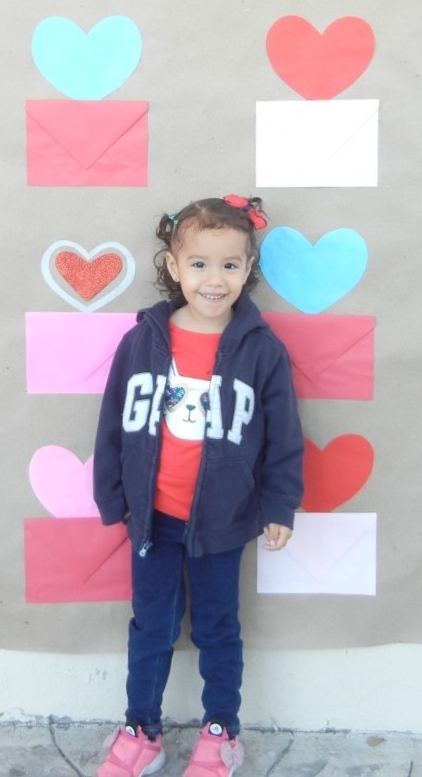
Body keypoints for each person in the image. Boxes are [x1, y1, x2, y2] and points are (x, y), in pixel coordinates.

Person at [92, 195, 304, 777]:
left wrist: (280, 504)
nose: (215, 279)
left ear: (248, 268)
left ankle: (221, 731)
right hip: (152, 519)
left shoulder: (262, 350)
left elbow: (285, 436)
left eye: (230, 265)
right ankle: (142, 730)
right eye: (200, 264)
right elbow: (112, 420)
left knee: (217, 627)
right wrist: (113, 495)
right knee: (151, 626)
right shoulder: (143, 341)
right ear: (174, 266)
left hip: (223, 521)